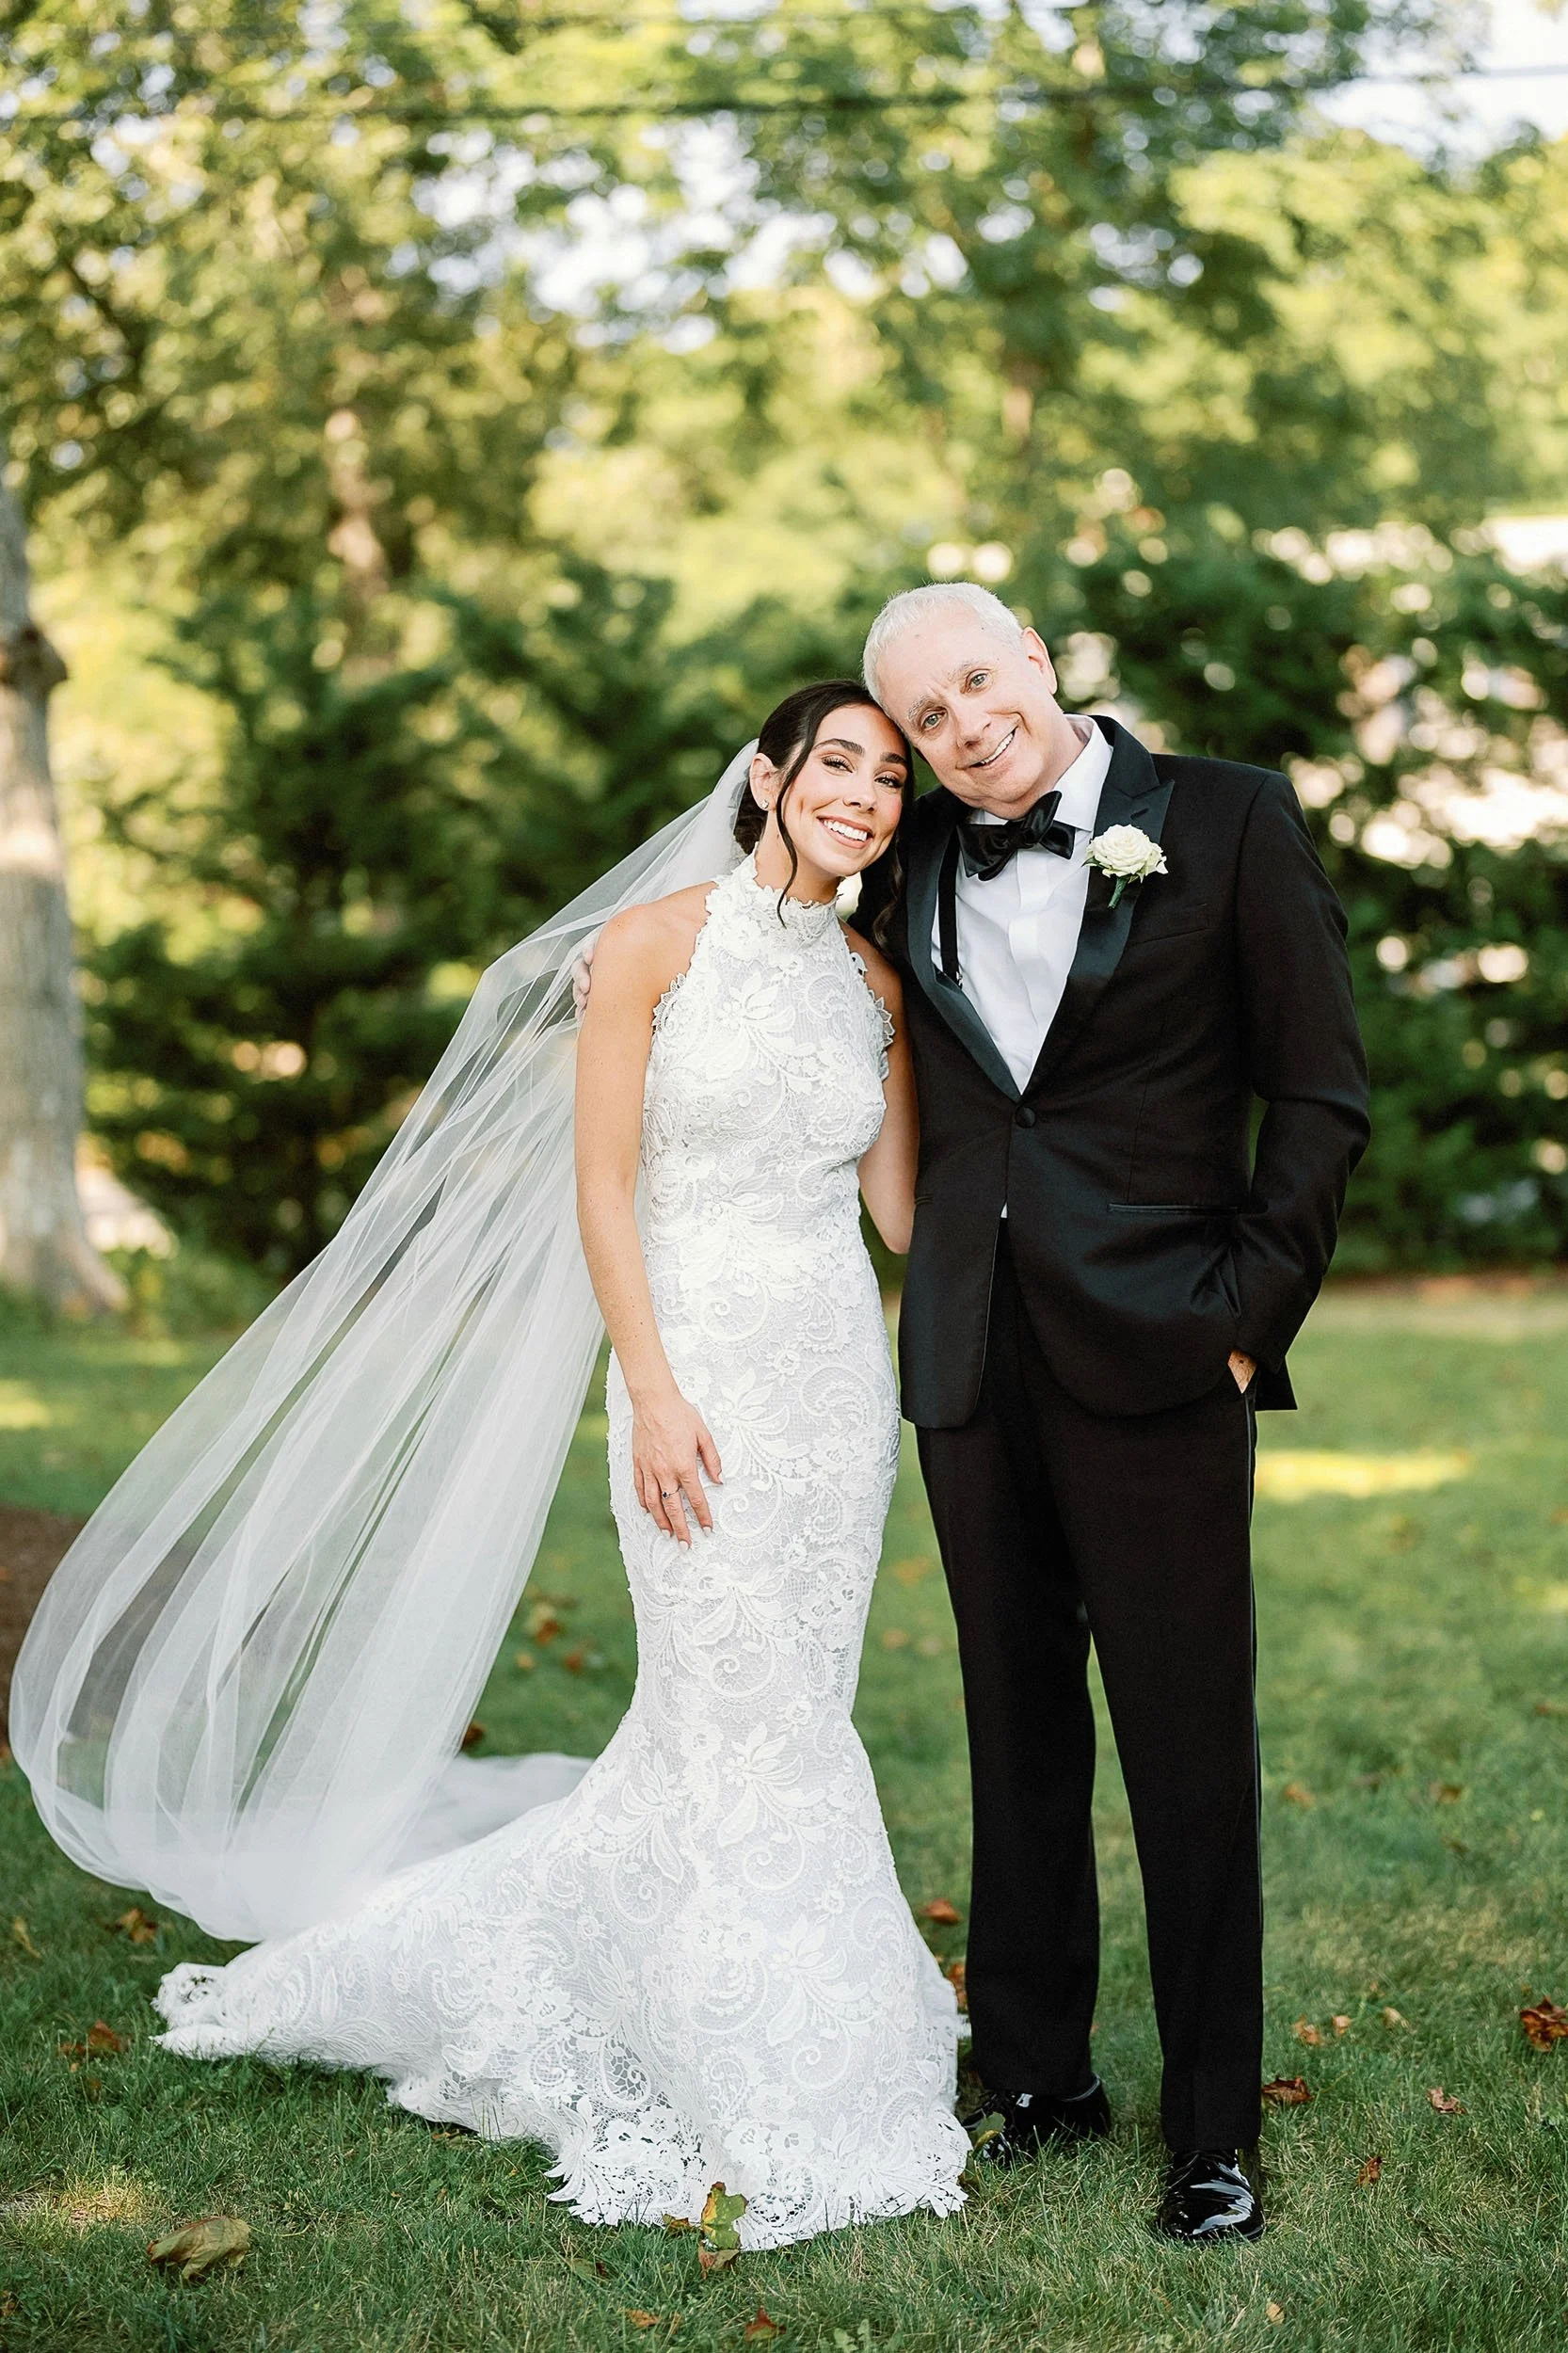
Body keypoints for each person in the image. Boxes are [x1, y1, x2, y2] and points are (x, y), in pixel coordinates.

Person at [17, 681, 971, 2249]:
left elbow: (901, 1220)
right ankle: (747, 2045)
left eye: (888, 778)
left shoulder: (871, 987)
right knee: (724, 1707)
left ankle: (773, 2009)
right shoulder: (654, 946)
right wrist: (651, 1393)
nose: (863, 795)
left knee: (792, 1707)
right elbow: (603, 1185)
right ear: (769, 775)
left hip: (830, 1401)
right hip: (695, 1381)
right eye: (838, 764)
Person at [852, 582, 1370, 2244]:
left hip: (1162, 1347)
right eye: (925, 718)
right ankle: (1036, 2077)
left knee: (1185, 1750)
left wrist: (1241, 1321)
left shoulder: (1222, 820)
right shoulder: (910, 859)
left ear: (1034, 660)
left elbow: (1316, 1091)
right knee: (1014, 1730)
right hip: (971, 1356)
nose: (961, 727)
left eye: (976, 682)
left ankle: (1210, 2128)